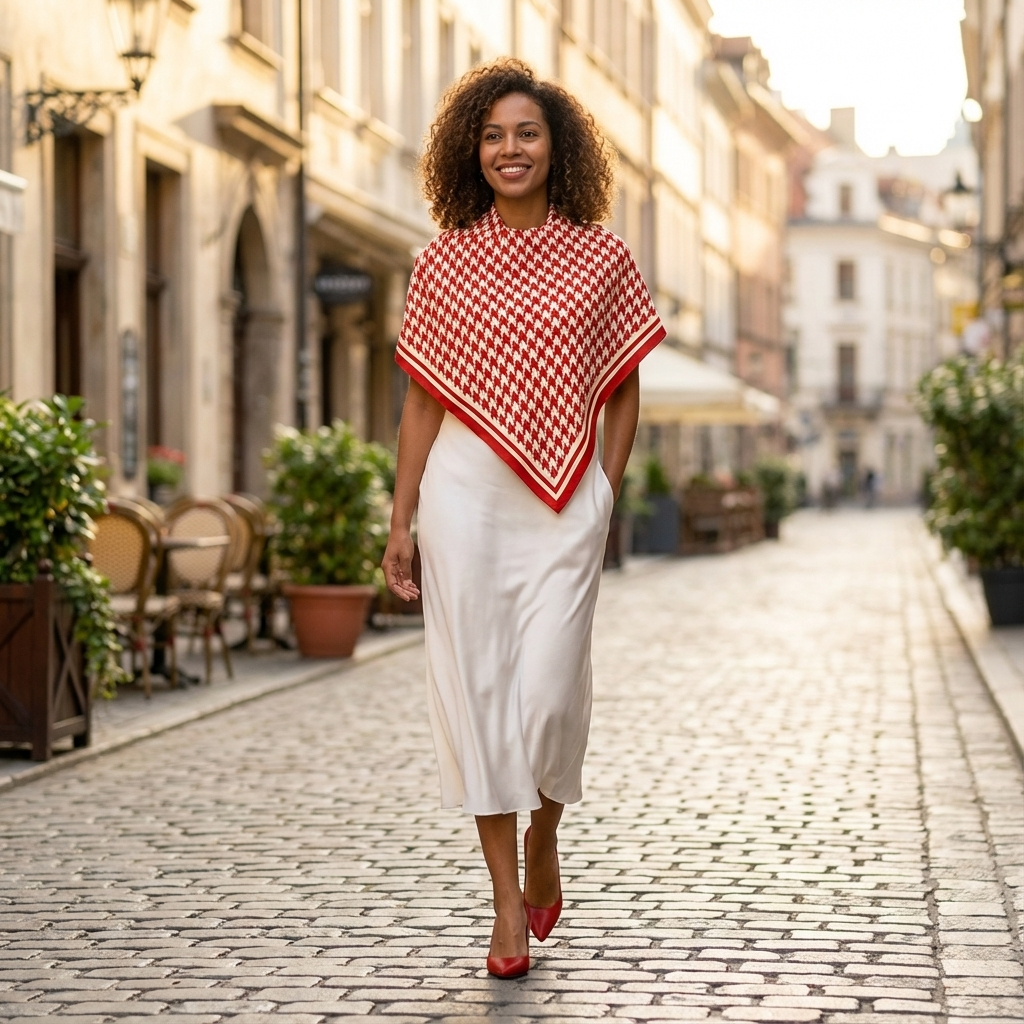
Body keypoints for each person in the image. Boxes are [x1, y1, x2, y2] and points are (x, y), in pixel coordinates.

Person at [381, 59, 665, 979]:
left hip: (562, 503)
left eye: (528, 133)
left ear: (558, 146)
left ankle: (548, 825)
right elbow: (423, 404)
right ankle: (507, 903)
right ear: (473, 149)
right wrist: (400, 520)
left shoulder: (602, 256)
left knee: (546, 693)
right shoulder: (442, 260)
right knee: (481, 693)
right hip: (461, 494)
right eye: (495, 134)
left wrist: (605, 492)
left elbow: (621, 392)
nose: (511, 148)